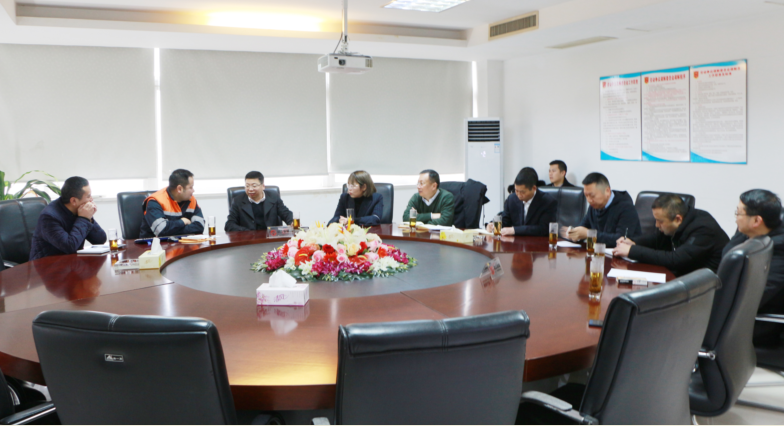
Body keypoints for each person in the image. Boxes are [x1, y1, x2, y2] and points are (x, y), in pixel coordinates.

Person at [723, 189, 784, 347]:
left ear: (757, 220)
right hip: (738, 310)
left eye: (739, 213)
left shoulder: (779, 249)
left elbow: (755, 297)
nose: (736, 218)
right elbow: (727, 257)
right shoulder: (755, 233)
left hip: (760, 323)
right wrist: (745, 229)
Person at [613, 194, 729, 276]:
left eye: (660, 221)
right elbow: (658, 239)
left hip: (706, 286)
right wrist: (634, 242)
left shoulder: (703, 229)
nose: (657, 225)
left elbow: (675, 260)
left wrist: (632, 251)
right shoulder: (682, 220)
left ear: (678, 219)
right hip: (688, 275)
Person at [29, 176, 107, 261]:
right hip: (46, 266)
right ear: (74, 201)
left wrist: (89, 218)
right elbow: (70, 247)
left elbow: (100, 240)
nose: (91, 200)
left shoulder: (80, 210)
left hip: (70, 264)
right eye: (88, 196)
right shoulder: (49, 217)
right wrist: (84, 218)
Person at [566, 172, 641, 247]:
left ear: (607, 191)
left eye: (592, 195)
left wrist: (590, 234)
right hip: (599, 251)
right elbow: (583, 228)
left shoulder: (626, 208)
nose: (589, 200)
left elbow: (621, 240)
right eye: (586, 195)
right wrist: (574, 234)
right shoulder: (594, 206)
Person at [487, 168, 557, 236]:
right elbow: (506, 222)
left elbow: (543, 229)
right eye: (516, 191)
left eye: (522, 192)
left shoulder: (548, 202)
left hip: (537, 242)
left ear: (534, 188)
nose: (519, 195)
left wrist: (515, 230)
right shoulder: (511, 199)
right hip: (515, 242)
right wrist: (493, 225)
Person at [140, 169, 205, 238]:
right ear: (179, 189)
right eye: (191, 187)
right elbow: (162, 230)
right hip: (153, 244)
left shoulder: (191, 200)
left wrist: (172, 230)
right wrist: (183, 222)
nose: (193, 190)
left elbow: (200, 226)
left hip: (181, 242)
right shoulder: (155, 201)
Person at [225, 171, 293, 232]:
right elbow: (229, 224)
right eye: (247, 186)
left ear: (263, 186)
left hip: (271, 238)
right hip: (248, 239)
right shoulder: (238, 201)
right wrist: (247, 232)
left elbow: (286, 213)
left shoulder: (273, 197)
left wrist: (292, 222)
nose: (250, 189)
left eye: (254, 186)